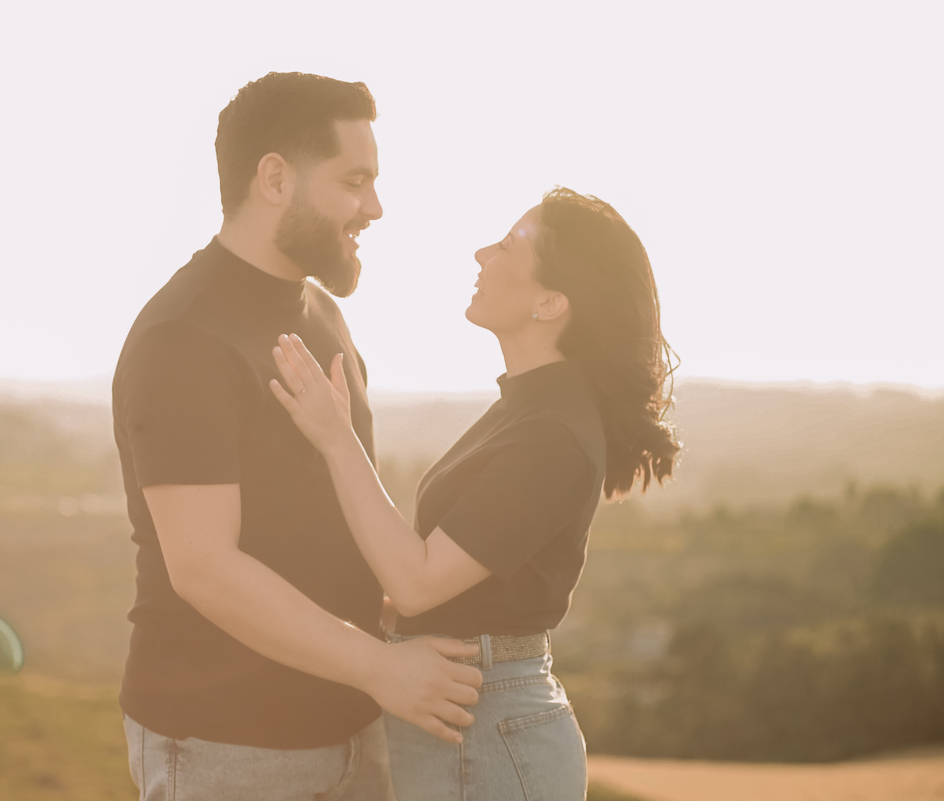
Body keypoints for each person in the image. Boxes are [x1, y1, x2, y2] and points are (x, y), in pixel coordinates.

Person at [111, 71, 482, 801]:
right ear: (275, 178)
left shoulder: (321, 313)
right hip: (226, 749)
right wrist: (382, 667)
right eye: (354, 181)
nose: (374, 207)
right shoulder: (184, 335)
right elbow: (205, 568)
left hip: (352, 731)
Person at [270, 187, 681, 801]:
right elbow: (447, 594)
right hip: (474, 717)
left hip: (487, 729)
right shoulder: (531, 407)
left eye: (509, 245)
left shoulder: (552, 433)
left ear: (551, 302)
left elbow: (418, 581)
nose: (482, 254)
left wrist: (336, 437)